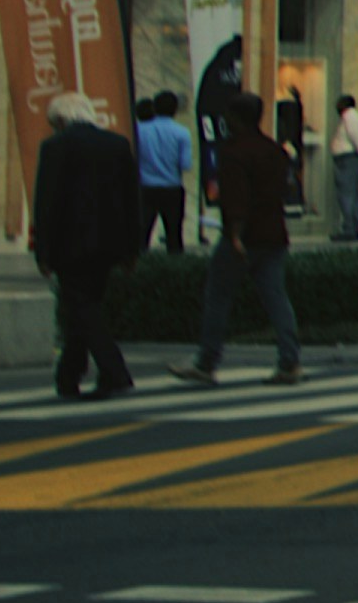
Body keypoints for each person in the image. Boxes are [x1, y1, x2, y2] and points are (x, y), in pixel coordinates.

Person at [189, 101, 304, 387]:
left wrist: (236, 235)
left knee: (218, 295)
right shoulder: (275, 150)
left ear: (235, 118)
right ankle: (289, 361)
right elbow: (287, 188)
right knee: (277, 298)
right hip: (274, 234)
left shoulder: (233, 153)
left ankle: (207, 362)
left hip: (244, 237)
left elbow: (237, 198)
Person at [35, 94, 141, 401]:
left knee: (81, 307)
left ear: (60, 120)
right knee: (84, 306)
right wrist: (132, 249)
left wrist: (43, 252)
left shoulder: (55, 148)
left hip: (69, 245)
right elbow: (131, 201)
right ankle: (69, 374)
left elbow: (47, 203)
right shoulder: (117, 144)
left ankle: (114, 370)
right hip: (109, 244)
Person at [133, 91, 193, 257]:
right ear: (175, 109)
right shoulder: (182, 132)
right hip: (172, 188)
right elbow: (185, 164)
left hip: (145, 188)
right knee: (174, 235)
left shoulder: (139, 130)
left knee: (142, 235)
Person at [328, 91, 358, 242]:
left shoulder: (350, 117)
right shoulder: (352, 118)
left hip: (348, 159)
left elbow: (356, 137)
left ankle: (349, 228)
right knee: (352, 193)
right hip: (350, 159)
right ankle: (353, 227)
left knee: (346, 194)